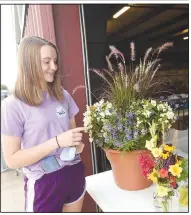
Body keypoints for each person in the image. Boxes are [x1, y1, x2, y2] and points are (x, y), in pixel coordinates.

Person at [1, 36, 86, 212]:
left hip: (74, 172)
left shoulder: (63, 95)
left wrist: (77, 145)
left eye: (55, 61)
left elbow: (73, 138)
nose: (54, 67)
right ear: (29, 63)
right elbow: (12, 159)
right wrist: (56, 142)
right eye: (46, 62)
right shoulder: (12, 105)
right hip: (44, 182)